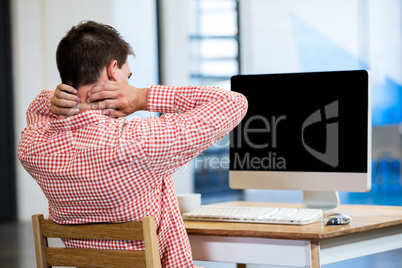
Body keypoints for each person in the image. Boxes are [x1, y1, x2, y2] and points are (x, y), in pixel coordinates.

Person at [18, 21, 247, 268]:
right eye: (128, 77)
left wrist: (55, 99)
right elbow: (234, 102)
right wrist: (141, 97)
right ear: (112, 71)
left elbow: (35, 110)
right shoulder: (136, 142)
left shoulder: (34, 148)